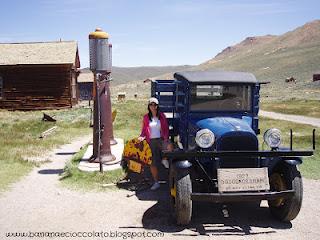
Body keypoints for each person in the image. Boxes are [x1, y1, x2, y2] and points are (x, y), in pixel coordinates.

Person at [138, 97, 172, 190]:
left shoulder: (162, 116)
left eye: (155, 105)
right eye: (151, 104)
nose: (153, 106)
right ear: (148, 106)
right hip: (151, 141)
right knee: (153, 162)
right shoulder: (146, 117)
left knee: (169, 149)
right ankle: (156, 182)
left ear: (157, 106)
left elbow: (166, 129)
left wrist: (166, 139)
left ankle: (164, 159)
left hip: (160, 139)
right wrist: (141, 136)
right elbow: (144, 130)